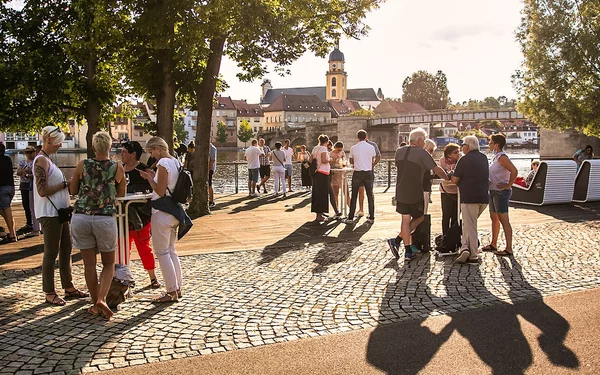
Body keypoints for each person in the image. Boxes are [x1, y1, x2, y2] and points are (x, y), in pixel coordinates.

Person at [71, 131, 126, 319]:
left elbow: (73, 190)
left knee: (89, 265)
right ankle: (102, 299)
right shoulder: (117, 167)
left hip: (81, 217)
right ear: (110, 147)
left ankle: (95, 303)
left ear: (94, 147)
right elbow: (121, 193)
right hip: (104, 218)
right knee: (109, 263)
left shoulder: (82, 164)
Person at [34, 126, 87, 306]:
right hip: (50, 214)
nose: (59, 146)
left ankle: (68, 286)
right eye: (58, 143)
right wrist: (65, 184)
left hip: (60, 212)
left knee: (66, 248)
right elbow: (42, 191)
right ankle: (49, 291)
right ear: (49, 140)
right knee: (51, 252)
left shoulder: (48, 160)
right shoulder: (41, 161)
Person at [386, 128, 448, 261]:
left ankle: (406, 249)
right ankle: (397, 241)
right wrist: (448, 177)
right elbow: (436, 169)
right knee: (419, 217)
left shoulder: (399, 151)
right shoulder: (422, 153)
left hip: (401, 190)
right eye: (424, 140)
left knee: (405, 219)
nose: (424, 143)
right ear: (419, 140)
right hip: (415, 190)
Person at [139, 136, 184, 303]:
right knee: (171, 250)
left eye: (152, 151)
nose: (152, 155)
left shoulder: (163, 163)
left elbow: (160, 190)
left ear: (158, 148)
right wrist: (154, 176)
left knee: (162, 252)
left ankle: (171, 291)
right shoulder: (176, 162)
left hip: (161, 212)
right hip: (174, 211)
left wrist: (150, 178)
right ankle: (177, 287)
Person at [121, 141, 160, 288]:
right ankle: (123, 277)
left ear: (133, 154)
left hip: (140, 216)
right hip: (121, 215)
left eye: (124, 152)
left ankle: (153, 277)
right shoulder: (119, 169)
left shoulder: (144, 170)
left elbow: (154, 190)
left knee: (144, 247)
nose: (121, 154)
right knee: (122, 247)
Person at [451, 136, 489, 264]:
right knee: (468, 223)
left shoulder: (464, 159)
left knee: (471, 226)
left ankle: (473, 254)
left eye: (463, 145)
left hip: (469, 197)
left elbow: (454, 179)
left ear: (468, 146)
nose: (462, 148)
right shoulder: (484, 158)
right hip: (483, 197)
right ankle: (465, 248)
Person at [484, 134, 518, 257]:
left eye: (490, 142)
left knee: (504, 219)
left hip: (501, 192)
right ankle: (493, 243)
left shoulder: (502, 157)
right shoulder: (496, 157)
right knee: (494, 217)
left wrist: (508, 185)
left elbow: (514, 171)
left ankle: (509, 248)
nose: (489, 144)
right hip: (493, 191)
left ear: (496, 144)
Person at [345, 130, 377, 224]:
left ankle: (350, 218)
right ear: (366, 136)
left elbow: (351, 161)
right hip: (368, 173)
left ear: (357, 137)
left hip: (358, 173)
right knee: (370, 195)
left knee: (354, 195)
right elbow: (372, 159)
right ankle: (371, 217)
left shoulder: (353, 148)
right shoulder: (371, 147)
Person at [16, 146, 38, 237]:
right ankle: (29, 223)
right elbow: (18, 172)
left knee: (32, 206)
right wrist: (26, 171)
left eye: (30, 152)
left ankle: (36, 225)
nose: (28, 154)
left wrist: (25, 173)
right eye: (27, 152)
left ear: (34, 152)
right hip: (23, 186)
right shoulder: (22, 162)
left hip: (32, 186)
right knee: (25, 205)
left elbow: (35, 174)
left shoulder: (36, 162)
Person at [439, 143, 460, 235]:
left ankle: (454, 236)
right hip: (445, 191)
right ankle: (445, 236)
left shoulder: (460, 161)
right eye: (455, 152)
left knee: (456, 216)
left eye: (458, 152)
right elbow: (443, 175)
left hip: (457, 192)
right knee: (446, 215)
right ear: (448, 154)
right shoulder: (442, 161)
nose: (458, 154)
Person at [311, 135, 334, 222]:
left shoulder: (315, 148)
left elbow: (310, 160)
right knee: (322, 194)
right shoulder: (324, 149)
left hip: (316, 173)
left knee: (317, 194)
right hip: (323, 173)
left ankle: (318, 214)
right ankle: (320, 216)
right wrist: (330, 159)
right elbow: (324, 160)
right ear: (326, 141)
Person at [357, 135, 381, 217]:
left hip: (365, 171)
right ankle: (364, 211)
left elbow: (378, 156)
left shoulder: (371, 145)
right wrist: (372, 165)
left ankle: (365, 210)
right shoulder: (371, 145)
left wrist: (373, 165)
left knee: (366, 191)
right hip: (367, 170)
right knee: (366, 191)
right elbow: (378, 156)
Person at [0, 143, 16, 244]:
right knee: (4, 209)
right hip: (11, 187)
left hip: (2, 188)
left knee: (6, 210)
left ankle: (12, 234)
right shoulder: (8, 159)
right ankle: (11, 232)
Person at [329, 141, 349, 209]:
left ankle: (351, 209)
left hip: (342, 173)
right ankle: (336, 210)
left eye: (341, 150)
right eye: (338, 150)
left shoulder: (342, 152)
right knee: (335, 193)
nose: (339, 151)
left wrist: (345, 163)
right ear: (335, 147)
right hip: (335, 174)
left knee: (346, 193)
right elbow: (328, 164)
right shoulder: (330, 154)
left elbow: (345, 161)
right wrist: (334, 161)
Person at [422, 139, 437, 214]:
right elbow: (423, 176)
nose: (432, 152)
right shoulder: (424, 161)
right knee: (423, 214)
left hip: (425, 189)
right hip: (423, 189)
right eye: (431, 150)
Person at [209, 142, 217, 207]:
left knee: (209, 184)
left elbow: (213, 160)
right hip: (205, 169)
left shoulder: (212, 148)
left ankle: (211, 201)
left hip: (210, 169)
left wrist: (208, 169)